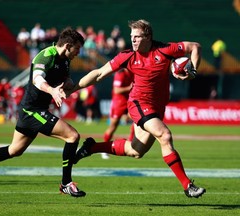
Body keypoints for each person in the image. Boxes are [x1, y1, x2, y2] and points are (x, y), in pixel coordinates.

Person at [67, 19, 206, 198]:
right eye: (131, 36)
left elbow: (195, 47)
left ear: (147, 37)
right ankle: (188, 186)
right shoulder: (128, 56)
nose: (132, 40)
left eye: (137, 37)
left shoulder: (165, 50)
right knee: (165, 135)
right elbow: (99, 73)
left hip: (157, 108)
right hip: (138, 104)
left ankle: (92, 147)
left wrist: (192, 70)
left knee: (135, 151)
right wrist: (73, 88)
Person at [0, 27, 86, 197]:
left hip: (32, 110)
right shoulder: (46, 55)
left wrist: (67, 84)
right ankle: (66, 183)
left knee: (14, 150)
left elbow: (66, 78)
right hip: (33, 110)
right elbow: (37, 79)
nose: (78, 53)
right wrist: (52, 91)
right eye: (77, 48)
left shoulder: (65, 59)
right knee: (72, 136)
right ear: (67, 46)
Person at [101, 68, 134, 159]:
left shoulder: (134, 73)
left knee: (136, 121)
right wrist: (129, 87)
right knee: (113, 126)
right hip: (118, 103)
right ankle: (104, 149)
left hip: (129, 102)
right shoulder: (120, 74)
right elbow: (116, 90)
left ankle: (131, 144)